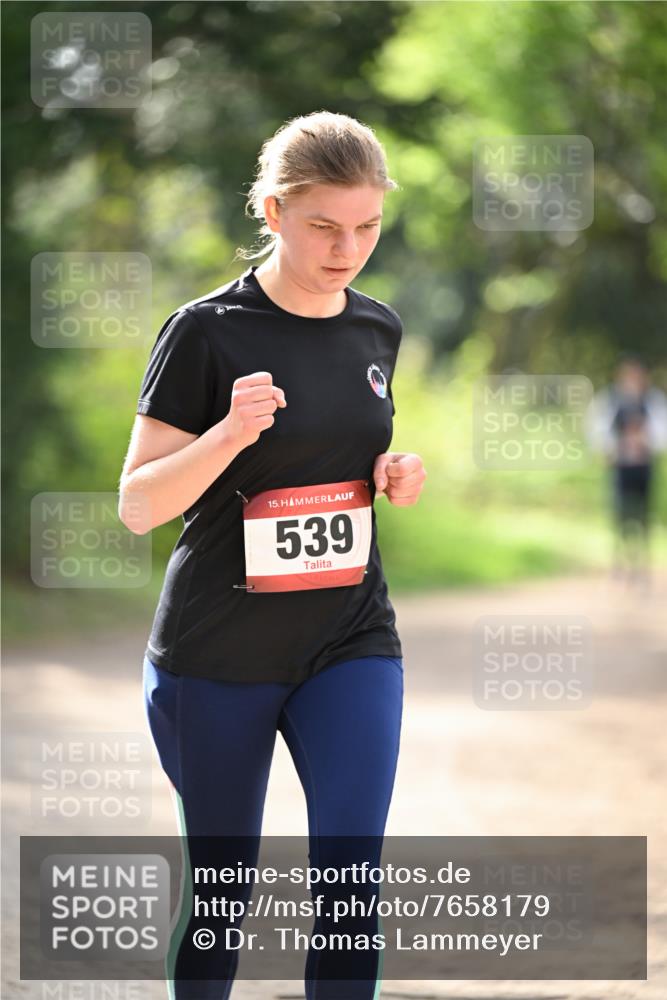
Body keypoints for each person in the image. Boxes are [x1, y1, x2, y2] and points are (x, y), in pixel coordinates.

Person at [118, 110, 426, 1000]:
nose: (347, 249)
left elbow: (333, 463)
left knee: (351, 886)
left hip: (349, 638)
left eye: (366, 226)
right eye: (324, 226)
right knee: (223, 897)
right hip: (218, 653)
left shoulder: (378, 330)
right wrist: (225, 435)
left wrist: (387, 474)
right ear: (272, 210)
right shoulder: (206, 331)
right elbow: (138, 505)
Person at [585, 354, 667, 590]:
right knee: (619, 516)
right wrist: (613, 447)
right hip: (620, 468)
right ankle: (619, 563)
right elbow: (596, 432)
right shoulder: (609, 400)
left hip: (644, 468)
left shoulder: (653, 402)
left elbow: (662, 435)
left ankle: (641, 565)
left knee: (643, 517)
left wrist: (645, 441)